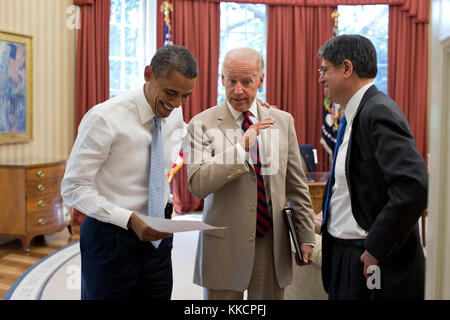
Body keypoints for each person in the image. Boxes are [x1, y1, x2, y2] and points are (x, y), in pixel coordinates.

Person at [61, 45, 198, 299]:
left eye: (184, 96)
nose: (177, 104)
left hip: (159, 241)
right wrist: (129, 219)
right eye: (171, 92)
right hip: (111, 239)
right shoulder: (104, 119)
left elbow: (196, 140)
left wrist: (243, 113)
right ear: (148, 74)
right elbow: (72, 188)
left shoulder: (174, 113)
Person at [186, 47, 316, 300]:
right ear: (221, 78)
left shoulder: (283, 120)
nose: (238, 90)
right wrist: (241, 147)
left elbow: (296, 186)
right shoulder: (200, 123)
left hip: (271, 244)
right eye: (231, 81)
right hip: (223, 247)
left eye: (246, 82)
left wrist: (306, 237)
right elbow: (198, 184)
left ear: (261, 80)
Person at [317, 34, 428, 300]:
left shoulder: (378, 112)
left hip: (372, 261)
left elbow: (414, 185)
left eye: (324, 70)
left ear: (346, 68)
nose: (321, 78)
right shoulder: (353, 114)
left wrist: (376, 248)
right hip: (345, 255)